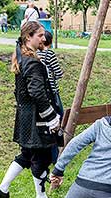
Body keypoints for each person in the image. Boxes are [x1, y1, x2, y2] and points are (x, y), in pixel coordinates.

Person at [0, 21, 60, 198]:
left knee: (27, 154)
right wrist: (51, 117)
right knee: (42, 159)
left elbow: (20, 92)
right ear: (29, 37)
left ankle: (2, 190)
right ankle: (41, 197)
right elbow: (37, 92)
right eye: (40, 35)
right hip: (38, 120)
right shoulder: (32, 62)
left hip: (26, 116)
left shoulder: (21, 56)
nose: (44, 38)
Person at [37, 30, 64, 164]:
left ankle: (47, 155)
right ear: (50, 41)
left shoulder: (35, 54)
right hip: (52, 92)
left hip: (42, 93)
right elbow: (59, 74)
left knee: (47, 124)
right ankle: (56, 155)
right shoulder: (49, 54)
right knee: (59, 119)